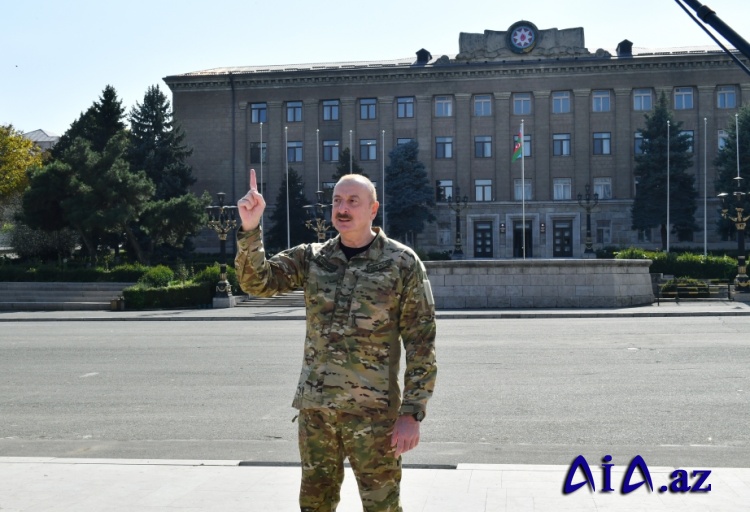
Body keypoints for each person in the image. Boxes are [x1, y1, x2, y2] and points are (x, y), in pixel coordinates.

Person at [235, 169, 437, 512]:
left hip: (373, 416)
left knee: (383, 507)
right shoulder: (312, 258)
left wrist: (412, 413)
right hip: (317, 411)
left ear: (373, 209)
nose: (342, 209)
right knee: (314, 505)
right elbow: (258, 283)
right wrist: (251, 229)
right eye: (337, 201)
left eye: (353, 201)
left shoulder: (401, 263)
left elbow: (421, 342)